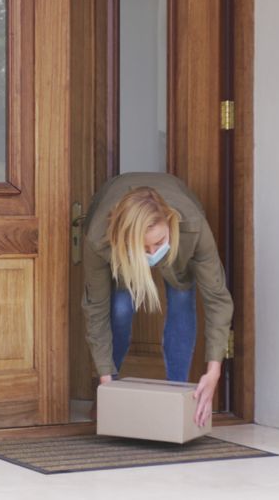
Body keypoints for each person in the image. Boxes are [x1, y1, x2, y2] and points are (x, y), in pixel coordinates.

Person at [81, 172, 234, 427]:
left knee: (182, 297)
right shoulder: (100, 239)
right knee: (119, 308)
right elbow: (95, 308)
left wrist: (214, 370)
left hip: (181, 235)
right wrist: (105, 382)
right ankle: (110, 384)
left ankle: (178, 394)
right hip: (119, 245)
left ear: (170, 222)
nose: (153, 253)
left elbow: (217, 297)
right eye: (144, 248)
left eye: (159, 242)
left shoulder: (192, 227)